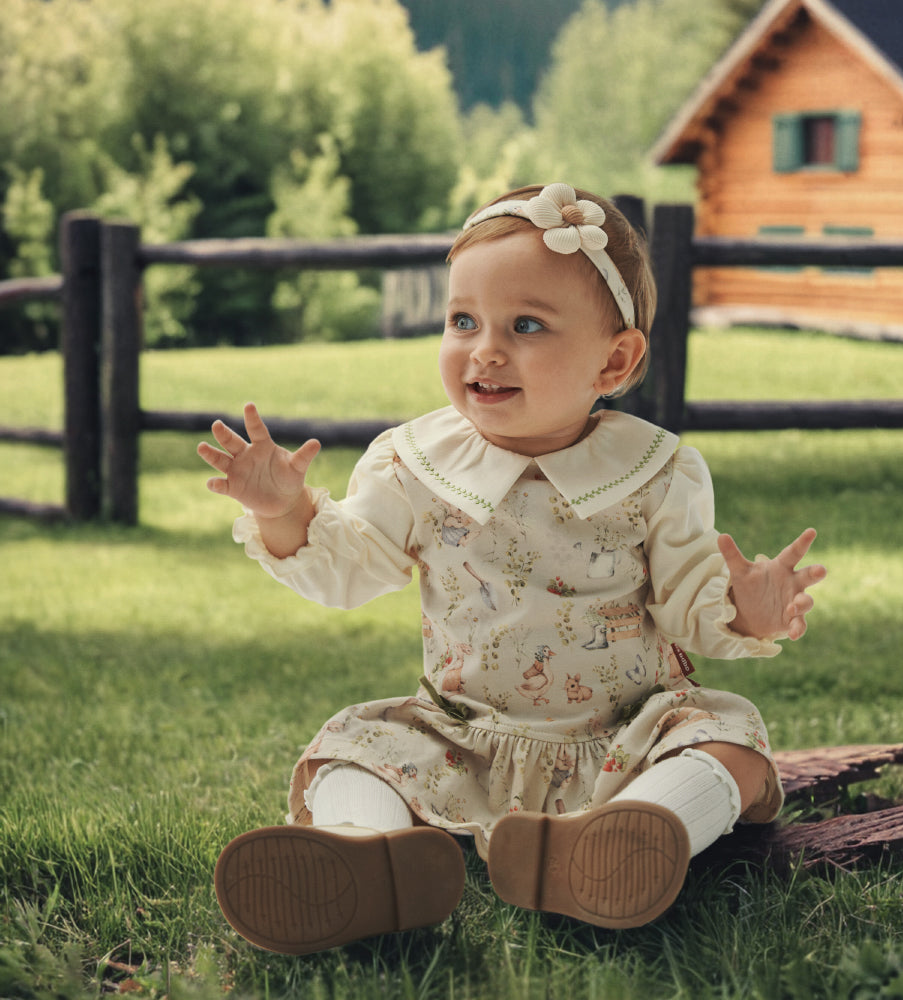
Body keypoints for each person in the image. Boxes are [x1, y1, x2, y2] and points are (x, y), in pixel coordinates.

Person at [198, 182, 825, 954]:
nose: (484, 349)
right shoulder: (414, 465)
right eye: (463, 321)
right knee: (353, 746)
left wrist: (748, 610)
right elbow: (349, 569)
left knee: (728, 736)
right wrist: (284, 513)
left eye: (526, 325)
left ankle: (631, 833)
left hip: (626, 737)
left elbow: (692, 603)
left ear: (615, 359)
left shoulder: (656, 472)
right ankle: (364, 852)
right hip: (460, 737)